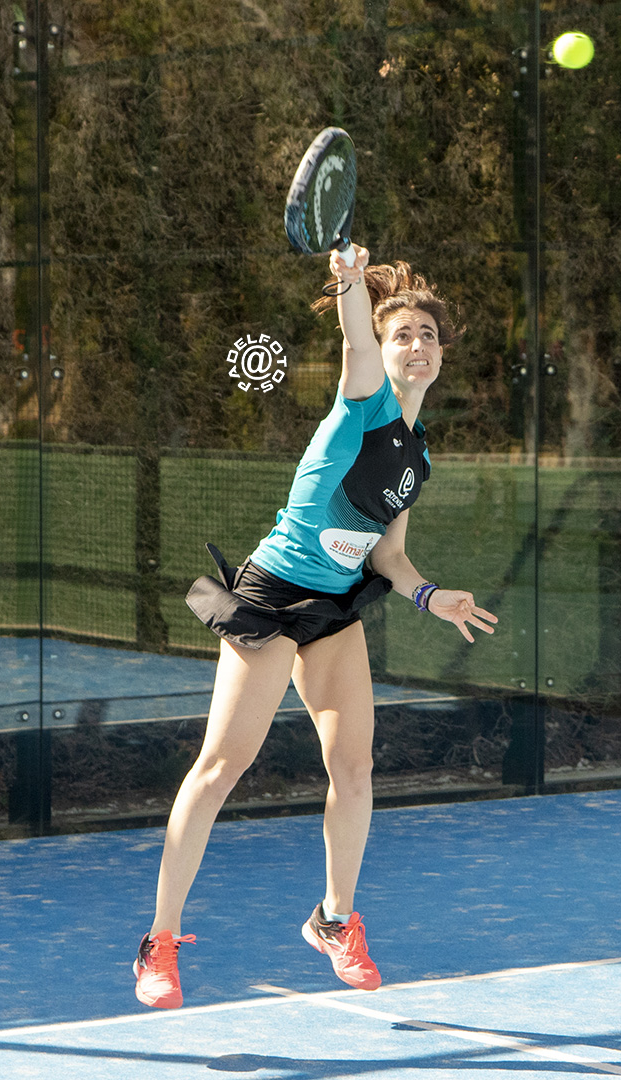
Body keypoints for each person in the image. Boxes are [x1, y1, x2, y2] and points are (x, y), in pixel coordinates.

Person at [132, 244, 498, 1009]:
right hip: (271, 598)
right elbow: (354, 339)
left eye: (428, 335)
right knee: (221, 767)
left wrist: (433, 596)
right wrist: (348, 284)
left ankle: (334, 921)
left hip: (334, 611)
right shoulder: (362, 398)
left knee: (355, 770)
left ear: (441, 355)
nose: (416, 345)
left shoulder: (416, 456)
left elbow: (389, 555)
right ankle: (158, 944)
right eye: (404, 334)